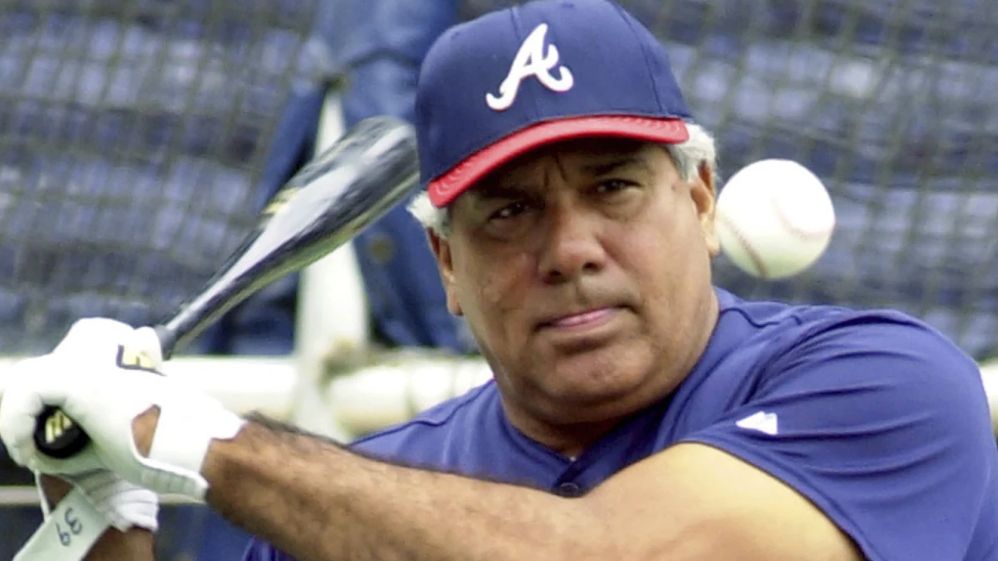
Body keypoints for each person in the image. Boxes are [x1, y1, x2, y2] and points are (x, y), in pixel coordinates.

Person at [1, 1, 995, 560]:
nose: (568, 249)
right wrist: (107, 516)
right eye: (509, 212)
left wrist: (187, 436)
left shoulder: (884, 387)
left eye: (612, 187)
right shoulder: (348, 513)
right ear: (446, 266)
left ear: (699, 201)